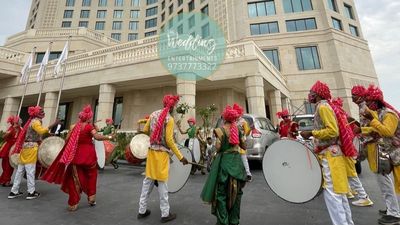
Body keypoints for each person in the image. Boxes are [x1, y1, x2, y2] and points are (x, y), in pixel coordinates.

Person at [300, 81, 354, 225]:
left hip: (330, 155)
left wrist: (312, 132)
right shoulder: (324, 106)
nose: (310, 95)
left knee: (333, 194)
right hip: (332, 154)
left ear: (317, 94)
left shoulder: (323, 107)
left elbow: (333, 131)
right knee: (339, 194)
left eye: (312, 92)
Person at [42, 105, 114, 211]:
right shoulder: (89, 127)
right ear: (89, 117)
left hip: (75, 156)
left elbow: (67, 139)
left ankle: (73, 203)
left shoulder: (75, 127)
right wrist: (110, 137)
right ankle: (91, 197)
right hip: (88, 156)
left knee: (74, 178)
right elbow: (97, 137)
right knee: (91, 175)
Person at [137, 94, 189, 223]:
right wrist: (181, 157)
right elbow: (170, 141)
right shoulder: (169, 119)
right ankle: (165, 214)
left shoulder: (153, 114)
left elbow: (145, 130)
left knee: (147, 181)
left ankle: (141, 211)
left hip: (151, 153)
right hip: (162, 155)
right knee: (162, 184)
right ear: (172, 107)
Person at [355, 85, 400, 225]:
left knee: (397, 185)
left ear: (376, 101)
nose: (367, 105)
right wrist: (361, 129)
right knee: (388, 184)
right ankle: (393, 211)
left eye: (369, 102)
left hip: (396, 155)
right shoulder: (381, 113)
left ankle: (395, 214)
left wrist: (371, 119)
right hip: (389, 154)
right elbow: (376, 129)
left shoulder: (389, 114)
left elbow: (387, 131)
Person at [201, 104, 247, 225]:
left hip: (224, 164)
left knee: (221, 194)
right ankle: (234, 220)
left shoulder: (219, 130)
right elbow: (244, 146)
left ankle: (223, 221)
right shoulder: (238, 130)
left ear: (224, 118)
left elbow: (218, 147)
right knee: (237, 194)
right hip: (237, 165)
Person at [8, 106, 58, 200]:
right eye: (41, 111)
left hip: (25, 148)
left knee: (20, 171)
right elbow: (41, 130)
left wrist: (48, 134)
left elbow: (37, 133)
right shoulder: (36, 122)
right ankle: (31, 192)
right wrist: (53, 124)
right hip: (31, 149)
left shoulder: (32, 121)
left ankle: (13, 191)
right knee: (30, 171)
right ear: (37, 113)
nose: (43, 113)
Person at [331, 97, 373, 207]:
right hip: (346, 148)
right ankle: (351, 191)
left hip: (346, 149)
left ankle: (364, 197)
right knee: (347, 172)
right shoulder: (343, 116)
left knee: (351, 174)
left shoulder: (341, 117)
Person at [0, 116, 21, 187]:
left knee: (6, 165)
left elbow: (3, 137)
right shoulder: (14, 129)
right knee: (8, 166)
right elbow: (4, 137)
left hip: (8, 148)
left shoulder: (14, 128)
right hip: (11, 149)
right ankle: (6, 181)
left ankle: (3, 180)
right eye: (19, 120)